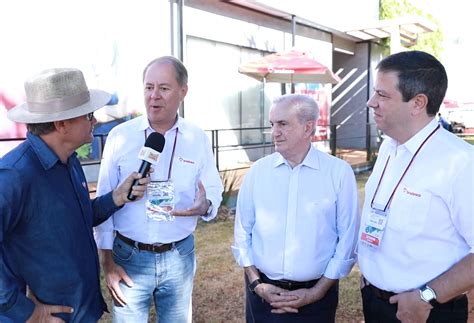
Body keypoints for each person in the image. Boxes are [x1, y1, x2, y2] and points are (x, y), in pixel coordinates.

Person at [0, 68, 150, 322]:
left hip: (82, 309)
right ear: (61, 124)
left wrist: (116, 198)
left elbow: (76, 217)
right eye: (88, 115)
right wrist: (25, 311)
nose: (95, 121)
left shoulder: (69, 160)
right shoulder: (15, 176)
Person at [93, 56, 223, 323]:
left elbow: (212, 186)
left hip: (179, 255)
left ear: (183, 92)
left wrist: (206, 204)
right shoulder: (120, 137)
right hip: (127, 256)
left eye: (164, 88)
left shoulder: (196, 137)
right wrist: (107, 262)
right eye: (148, 87)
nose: (154, 96)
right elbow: (104, 202)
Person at [358, 50, 474, 322]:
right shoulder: (388, 147)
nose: (370, 102)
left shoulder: (461, 163)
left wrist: (426, 296)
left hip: (425, 311)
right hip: (374, 301)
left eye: (382, 95)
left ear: (418, 102)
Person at [232, 94, 360, 322]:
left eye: (283, 124)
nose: (274, 132)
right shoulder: (258, 172)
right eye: (272, 124)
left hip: (318, 300)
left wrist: (316, 292)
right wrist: (257, 285)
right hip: (262, 296)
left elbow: (347, 239)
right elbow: (242, 234)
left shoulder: (338, 173)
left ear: (307, 127)